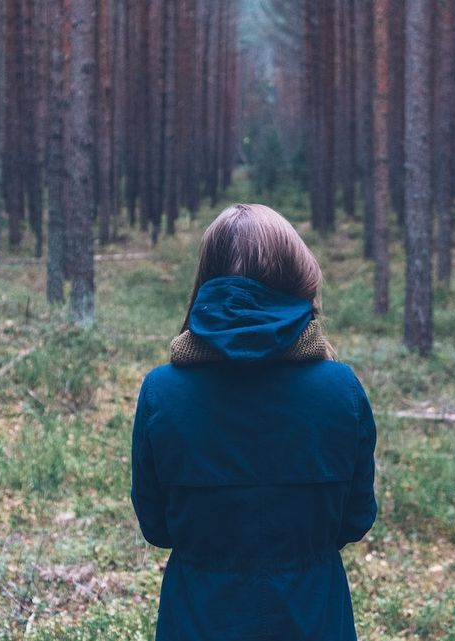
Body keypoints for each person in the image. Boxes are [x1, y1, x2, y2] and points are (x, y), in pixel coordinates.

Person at [130, 203, 378, 640]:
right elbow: (355, 521)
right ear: (296, 277)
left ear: (206, 278)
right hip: (313, 617)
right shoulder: (341, 389)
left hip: (199, 619)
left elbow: (156, 528)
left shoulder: (162, 392)